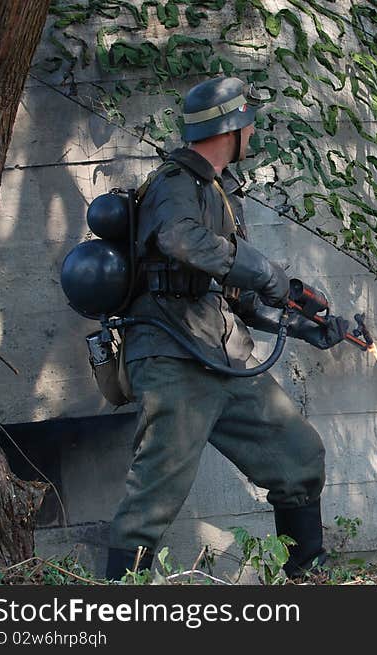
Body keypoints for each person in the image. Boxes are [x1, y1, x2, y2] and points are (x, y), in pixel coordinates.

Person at [104, 76, 348, 582]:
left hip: (222, 357)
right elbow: (178, 239)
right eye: (249, 122)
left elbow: (232, 296)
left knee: (298, 455)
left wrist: (306, 325)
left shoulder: (218, 191)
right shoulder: (175, 184)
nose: (254, 131)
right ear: (231, 127)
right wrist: (262, 269)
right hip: (172, 357)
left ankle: (309, 575)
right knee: (154, 494)